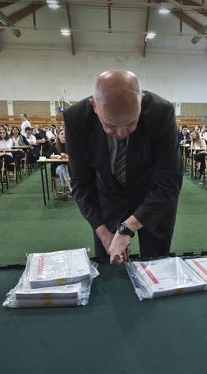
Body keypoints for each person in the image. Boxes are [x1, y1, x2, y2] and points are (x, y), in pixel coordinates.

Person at [65, 69, 182, 264]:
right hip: (108, 199)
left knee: (155, 265)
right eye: (110, 125)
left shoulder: (161, 113)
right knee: (109, 267)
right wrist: (103, 232)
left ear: (141, 102)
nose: (121, 133)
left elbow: (169, 182)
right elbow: (81, 183)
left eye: (131, 123)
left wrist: (128, 228)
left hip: (153, 200)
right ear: (95, 106)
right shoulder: (76, 119)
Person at [47, 128, 71, 196]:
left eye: (65, 134)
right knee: (62, 167)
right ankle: (69, 186)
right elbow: (47, 155)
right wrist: (56, 156)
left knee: (63, 168)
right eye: (62, 134)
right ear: (58, 136)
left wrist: (67, 156)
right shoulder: (54, 145)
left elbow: (76, 156)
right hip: (56, 168)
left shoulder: (70, 145)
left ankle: (64, 189)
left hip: (69, 168)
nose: (64, 135)